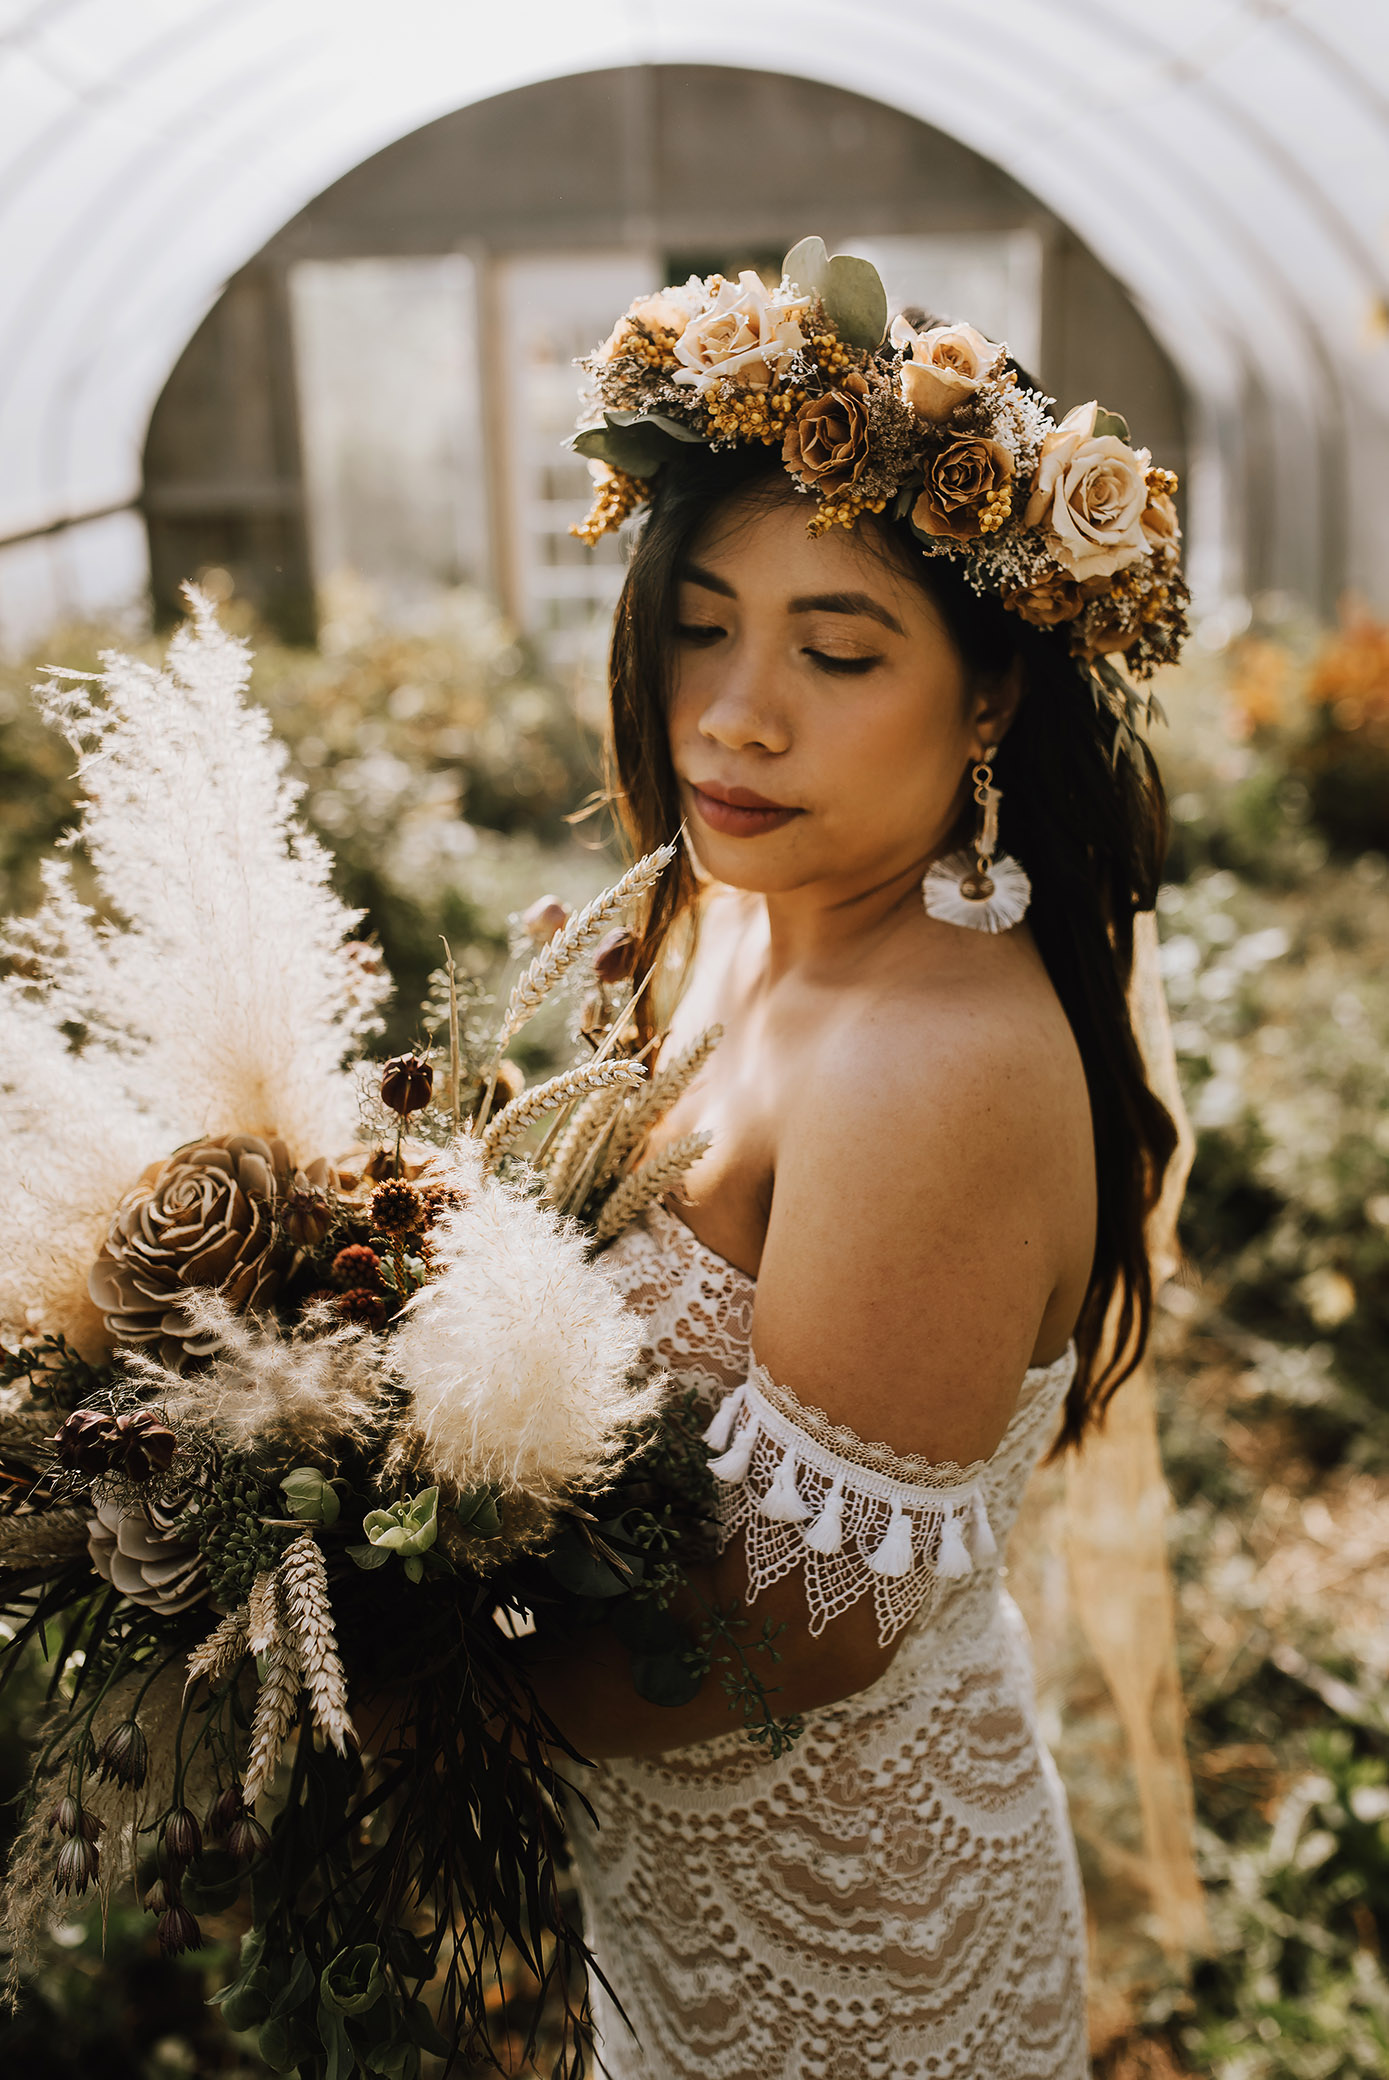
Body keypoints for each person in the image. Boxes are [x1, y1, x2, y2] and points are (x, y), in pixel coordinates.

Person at [525, 255, 1186, 2080]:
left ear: (985, 705)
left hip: (854, 1964)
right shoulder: (745, 919)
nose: (735, 713)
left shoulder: (939, 1065)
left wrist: (408, 1702)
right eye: (700, 626)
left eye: (834, 650)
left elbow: (797, 1627)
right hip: (672, 1898)